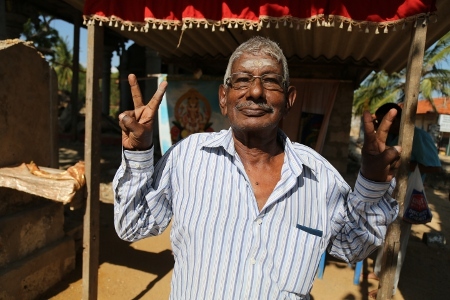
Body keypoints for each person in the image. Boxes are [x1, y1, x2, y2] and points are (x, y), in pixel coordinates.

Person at [113, 36, 402, 300]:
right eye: (241, 80)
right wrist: (138, 153)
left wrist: (371, 183)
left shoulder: (319, 176)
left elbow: (352, 246)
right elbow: (132, 226)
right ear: (224, 98)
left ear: (289, 100)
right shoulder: (187, 157)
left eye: (271, 81)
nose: (255, 91)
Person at [368, 102, 442, 298]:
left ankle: (389, 287)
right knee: (384, 233)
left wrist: (406, 166)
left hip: (407, 195)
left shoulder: (419, 137)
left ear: (397, 119)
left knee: (398, 241)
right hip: (388, 192)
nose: (381, 124)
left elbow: (434, 167)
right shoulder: (390, 137)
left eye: (384, 120)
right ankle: (379, 271)